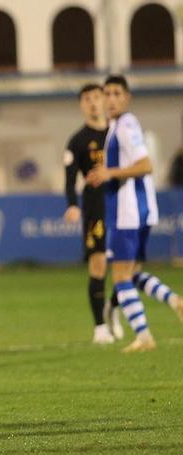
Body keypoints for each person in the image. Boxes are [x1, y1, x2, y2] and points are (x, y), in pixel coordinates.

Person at [86, 75, 183, 353]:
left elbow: (145, 165)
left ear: (127, 98)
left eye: (117, 93)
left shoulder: (126, 125)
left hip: (127, 212)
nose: (112, 99)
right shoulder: (117, 127)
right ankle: (174, 300)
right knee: (132, 272)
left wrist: (109, 173)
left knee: (120, 277)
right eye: (108, 93)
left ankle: (143, 336)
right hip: (138, 210)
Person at [61, 83, 116, 344]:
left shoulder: (118, 133)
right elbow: (70, 179)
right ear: (81, 105)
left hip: (122, 204)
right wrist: (72, 205)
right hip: (95, 206)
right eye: (87, 99)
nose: (93, 103)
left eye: (97, 97)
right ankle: (100, 327)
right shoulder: (77, 140)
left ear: (104, 101)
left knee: (127, 264)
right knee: (98, 264)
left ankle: (113, 307)